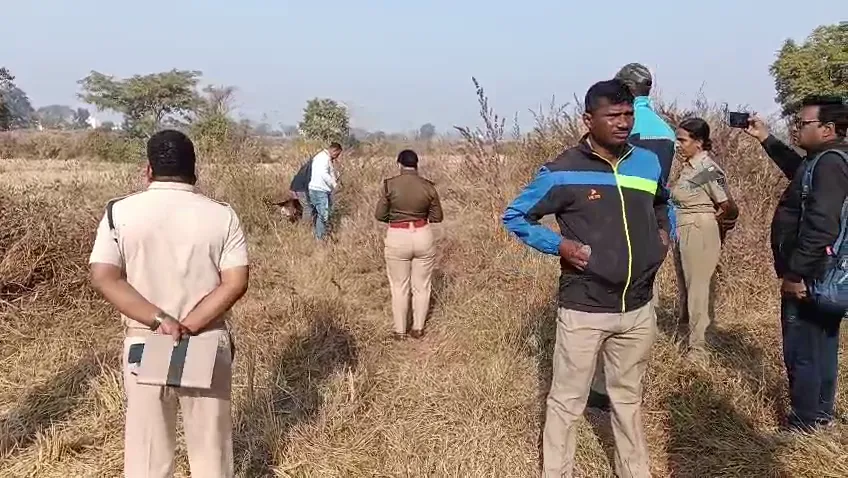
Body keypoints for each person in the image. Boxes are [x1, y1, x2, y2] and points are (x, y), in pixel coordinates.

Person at [503, 79, 670, 478]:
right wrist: (558, 246)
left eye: (628, 114)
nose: (623, 123)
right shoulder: (562, 171)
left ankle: (634, 471)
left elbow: (663, 203)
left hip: (638, 308)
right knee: (567, 401)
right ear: (588, 119)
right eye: (613, 115)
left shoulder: (646, 162)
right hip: (585, 307)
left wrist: (665, 235)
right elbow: (515, 216)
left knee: (628, 399)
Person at [89, 130, 250, 477]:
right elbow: (235, 282)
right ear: (196, 171)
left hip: (145, 340)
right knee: (211, 451)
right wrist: (188, 326)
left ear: (148, 170)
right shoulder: (222, 216)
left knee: (148, 453)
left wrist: (161, 320)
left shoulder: (119, 212)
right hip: (205, 339)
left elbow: (104, 276)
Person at [743, 95, 848, 432]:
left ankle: (804, 423)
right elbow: (800, 172)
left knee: (803, 350)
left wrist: (795, 273)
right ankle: (819, 417)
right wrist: (766, 139)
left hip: (812, 276)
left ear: (828, 129)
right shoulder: (827, 160)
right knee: (822, 346)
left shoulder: (830, 164)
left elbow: (821, 226)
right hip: (825, 275)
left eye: (803, 124)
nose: (796, 129)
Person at [588, 62, 678, 411]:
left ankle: (600, 387)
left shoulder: (618, 127)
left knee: (602, 305)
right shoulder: (666, 131)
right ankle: (630, 384)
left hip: (613, 225)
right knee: (642, 304)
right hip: (654, 226)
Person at [671, 117, 738, 361]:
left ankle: (699, 349)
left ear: (698, 142)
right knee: (688, 288)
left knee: (699, 288)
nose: (678, 144)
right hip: (685, 228)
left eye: (682, 140)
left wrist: (714, 229)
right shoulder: (691, 167)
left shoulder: (707, 168)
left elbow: (726, 205)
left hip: (699, 229)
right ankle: (689, 337)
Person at [375, 149, 444, 340]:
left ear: (399, 164)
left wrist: (396, 217)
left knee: (399, 286)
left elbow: (380, 215)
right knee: (422, 286)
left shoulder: (390, 185)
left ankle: (400, 330)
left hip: (398, 235)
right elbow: (437, 217)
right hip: (423, 235)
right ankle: (418, 328)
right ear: (417, 165)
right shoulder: (428, 187)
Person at [308, 142, 344, 240]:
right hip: (320, 191)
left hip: (316, 189)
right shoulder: (324, 159)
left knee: (320, 214)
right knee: (323, 215)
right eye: (337, 154)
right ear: (334, 150)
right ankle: (320, 239)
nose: (337, 157)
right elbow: (323, 174)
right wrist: (334, 184)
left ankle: (319, 235)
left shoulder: (320, 157)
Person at [289, 157, 313, 223]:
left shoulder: (306, 166)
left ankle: (296, 224)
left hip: (294, 188)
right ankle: (305, 227)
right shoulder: (313, 167)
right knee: (308, 208)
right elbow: (309, 181)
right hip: (301, 189)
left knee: (300, 208)